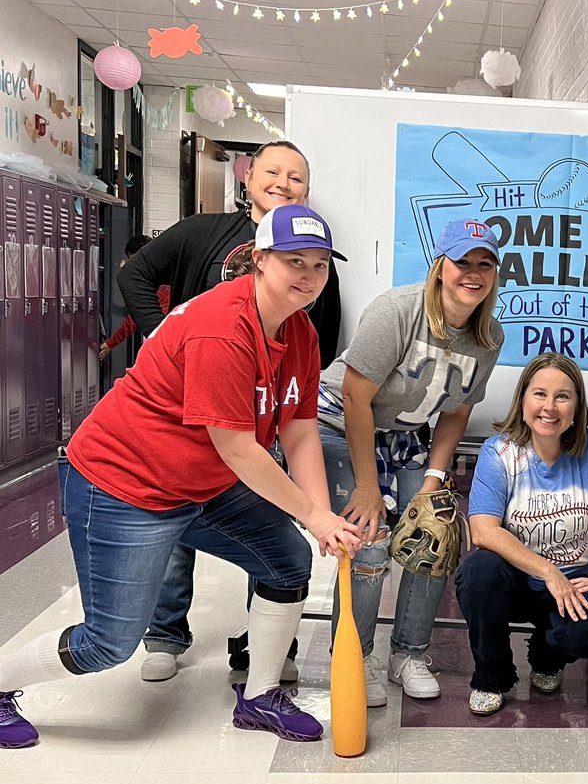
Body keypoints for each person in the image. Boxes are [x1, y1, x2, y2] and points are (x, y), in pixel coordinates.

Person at [0, 205, 361, 749]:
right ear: (259, 260)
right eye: (294, 261)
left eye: (319, 266)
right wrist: (311, 512)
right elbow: (240, 450)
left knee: (286, 560)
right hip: (124, 486)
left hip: (201, 485)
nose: (308, 277)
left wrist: (320, 516)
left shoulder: (301, 334)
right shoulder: (222, 328)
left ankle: (260, 696)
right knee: (109, 644)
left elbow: (300, 432)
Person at [119, 140, 341, 682]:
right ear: (248, 178)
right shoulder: (206, 236)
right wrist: (161, 331)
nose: (284, 183)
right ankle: (165, 634)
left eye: (297, 177)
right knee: (165, 542)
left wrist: (317, 512)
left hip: (255, 419)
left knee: (272, 534)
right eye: (273, 171)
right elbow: (134, 275)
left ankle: (264, 651)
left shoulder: (310, 280)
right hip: (179, 431)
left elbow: (302, 416)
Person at [318, 218, 503, 706]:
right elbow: (357, 399)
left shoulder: (488, 337)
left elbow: (458, 411)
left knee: (434, 531)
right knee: (370, 539)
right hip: (339, 421)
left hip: (402, 436)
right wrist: (366, 487)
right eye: (463, 261)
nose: (474, 273)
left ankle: (408, 654)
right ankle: (356, 657)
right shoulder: (397, 310)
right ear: (440, 266)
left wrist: (434, 481)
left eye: (485, 264)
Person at [458, 354, 588, 716]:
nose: (549, 408)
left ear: (576, 407)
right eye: (539, 394)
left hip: (571, 588)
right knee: (478, 573)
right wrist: (548, 571)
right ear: (523, 399)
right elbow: (483, 531)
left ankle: (546, 657)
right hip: (513, 584)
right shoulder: (501, 451)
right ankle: (491, 676)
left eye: (562, 397)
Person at [99, 234, 169, 362]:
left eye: (133, 260)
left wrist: (111, 343)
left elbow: (135, 318)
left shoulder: (158, 284)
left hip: (166, 343)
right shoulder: (165, 273)